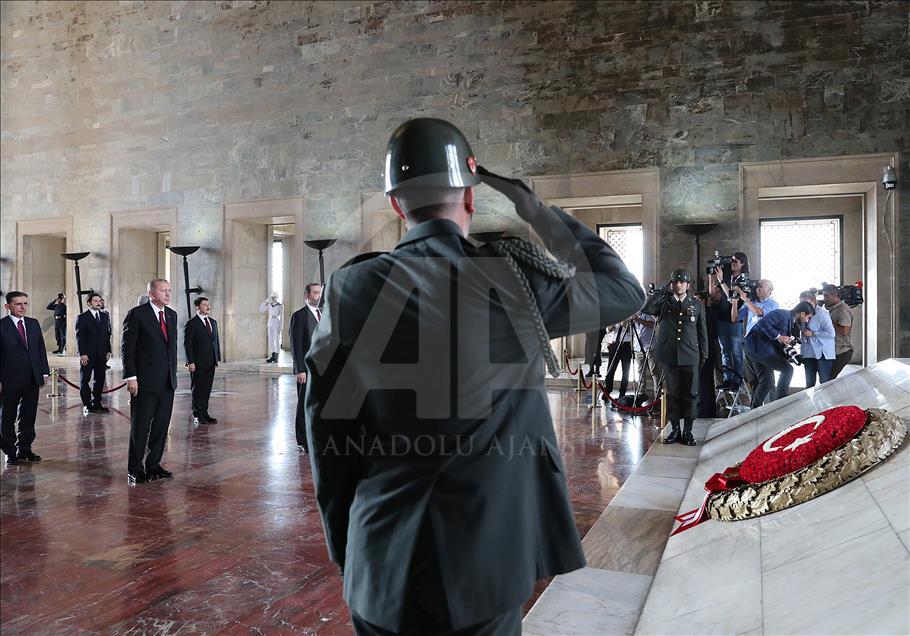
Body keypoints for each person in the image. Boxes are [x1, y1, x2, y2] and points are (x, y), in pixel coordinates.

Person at [304, 118, 644, 635]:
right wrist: (536, 211)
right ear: (470, 197)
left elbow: (325, 431)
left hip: (381, 563)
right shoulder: (513, 278)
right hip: (484, 567)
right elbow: (624, 290)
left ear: (397, 205)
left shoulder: (349, 288)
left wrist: (348, 545)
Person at [122, 279, 178, 484]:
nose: (168, 294)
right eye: (163, 291)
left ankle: (153, 465)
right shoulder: (137, 314)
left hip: (167, 382)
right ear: (152, 294)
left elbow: (170, 349)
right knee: (141, 427)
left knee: (161, 426)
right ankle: (135, 469)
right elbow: (128, 348)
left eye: (169, 290)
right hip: (144, 382)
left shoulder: (171, 315)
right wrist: (131, 377)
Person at [642, 269, 707, 445]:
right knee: (673, 395)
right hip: (669, 356)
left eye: (682, 282)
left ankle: (688, 431)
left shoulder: (697, 305)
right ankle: (675, 429)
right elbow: (647, 308)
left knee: (690, 395)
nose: (679, 285)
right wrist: (662, 292)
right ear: (671, 285)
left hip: (690, 356)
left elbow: (702, 334)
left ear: (688, 285)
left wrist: (703, 356)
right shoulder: (664, 304)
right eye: (675, 282)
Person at [1, 291, 50, 464]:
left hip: (32, 378)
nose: (23, 307)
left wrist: (44, 372)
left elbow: (40, 349)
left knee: (28, 415)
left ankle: (25, 449)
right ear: (7, 306)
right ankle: (10, 451)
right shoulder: (2, 325)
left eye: (25, 303)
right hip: (9, 379)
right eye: (18, 304)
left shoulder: (33, 323)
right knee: (7, 417)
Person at [743, 302, 815, 408]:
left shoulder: (791, 323)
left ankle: (754, 410)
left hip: (756, 350)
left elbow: (782, 343)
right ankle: (780, 404)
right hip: (759, 348)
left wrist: (794, 355)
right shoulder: (782, 314)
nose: (807, 321)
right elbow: (763, 323)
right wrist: (779, 337)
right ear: (802, 314)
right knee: (788, 370)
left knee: (766, 382)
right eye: (808, 317)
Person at [289, 283, 322, 452]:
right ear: (307, 295)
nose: (319, 295)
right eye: (315, 293)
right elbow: (296, 345)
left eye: (320, 292)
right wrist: (300, 369)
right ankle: (303, 441)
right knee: (305, 405)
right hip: (307, 371)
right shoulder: (299, 316)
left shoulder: (324, 314)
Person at [183, 296, 221, 424]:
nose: (208, 307)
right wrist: (190, 361)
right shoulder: (191, 324)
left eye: (208, 305)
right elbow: (187, 344)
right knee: (197, 389)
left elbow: (215, 342)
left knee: (207, 389)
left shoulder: (213, 322)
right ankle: (197, 414)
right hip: (197, 362)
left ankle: (205, 413)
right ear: (197, 307)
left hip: (210, 361)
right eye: (204, 305)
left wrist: (216, 359)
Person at [75, 292, 112, 413]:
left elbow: (107, 335)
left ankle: (97, 403)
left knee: (100, 379)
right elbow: (80, 337)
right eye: (95, 301)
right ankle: (87, 404)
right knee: (85, 379)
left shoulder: (105, 316)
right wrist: (82, 354)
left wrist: (108, 350)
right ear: (89, 303)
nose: (98, 303)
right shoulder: (82, 317)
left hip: (101, 353)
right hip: (88, 354)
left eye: (100, 301)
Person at [709, 265, 742, 389]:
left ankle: (737, 380)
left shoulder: (743, 280)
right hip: (721, 318)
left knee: (736, 351)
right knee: (725, 351)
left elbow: (731, 295)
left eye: (736, 261)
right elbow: (713, 295)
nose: (732, 263)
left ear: (743, 264)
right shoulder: (725, 277)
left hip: (735, 320)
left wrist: (721, 280)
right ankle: (727, 379)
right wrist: (711, 279)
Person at [798, 291, 835, 387]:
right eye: (801, 303)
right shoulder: (802, 313)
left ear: (814, 301)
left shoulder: (822, 314)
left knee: (824, 382)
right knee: (809, 382)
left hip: (822, 352)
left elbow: (831, 333)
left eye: (806, 303)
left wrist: (813, 334)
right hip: (808, 351)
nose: (803, 306)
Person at [823, 284, 854, 378]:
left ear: (835, 295)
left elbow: (845, 331)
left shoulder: (842, 309)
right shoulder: (833, 308)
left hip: (842, 351)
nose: (824, 299)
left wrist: (830, 322)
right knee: (827, 379)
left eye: (826, 296)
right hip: (834, 351)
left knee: (828, 379)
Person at [603, 320, 633, 401]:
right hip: (614, 344)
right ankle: (608, 389)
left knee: (626, 370)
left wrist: (625, 325)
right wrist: (612, 325)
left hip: (626, 345)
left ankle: (622, 392)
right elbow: (608, 330)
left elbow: (634, 331)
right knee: (611, 368)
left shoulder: (630, 316)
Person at [632, 310, 658, 400]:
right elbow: (626, 327)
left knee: (654, 372)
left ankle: (657, 395)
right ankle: (641, 393)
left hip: (650, 347)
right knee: (640, 373)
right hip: (638, 348)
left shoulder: (647, 314)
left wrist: (638, 319)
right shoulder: (633, 315)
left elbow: (652, 324)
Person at [259, 292, 283, 363]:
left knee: (276, 339)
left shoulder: (280, 306)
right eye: (272, 297)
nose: (273, 298)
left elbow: (282, 317)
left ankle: (276, 357)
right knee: (271, 339)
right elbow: (261, 309)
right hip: (270, 322)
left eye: (274, 297)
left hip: (276, 323)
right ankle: (273, 356)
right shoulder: (269, 305)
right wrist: (266, 301)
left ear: (277, 298)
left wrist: (281, 327)